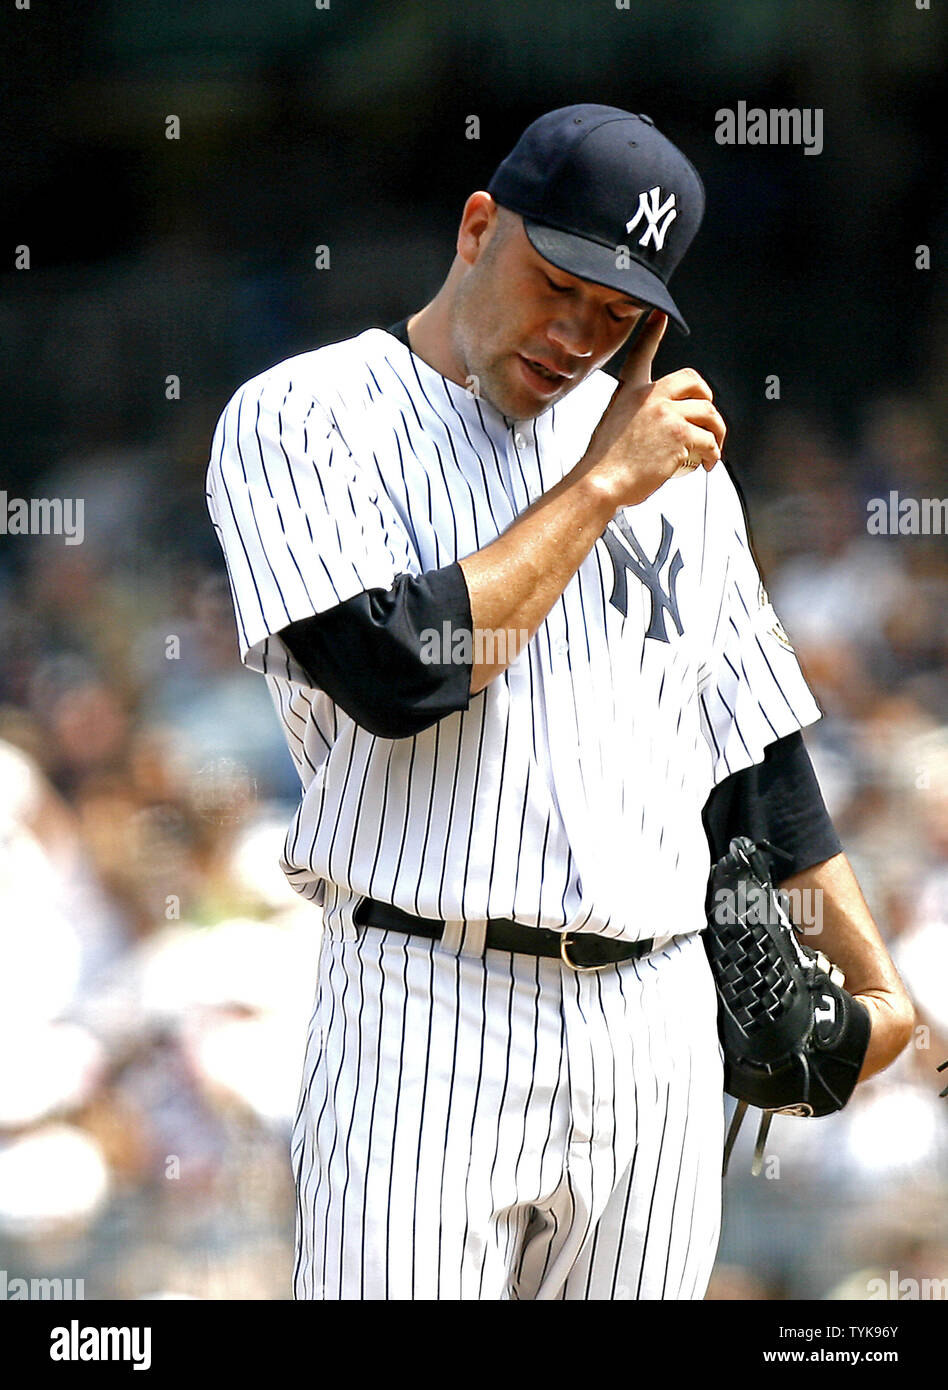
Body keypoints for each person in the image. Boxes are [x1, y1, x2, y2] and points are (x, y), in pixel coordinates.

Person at [205, 104, 913, 1301]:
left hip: (653, 1023)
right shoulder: (304, 416)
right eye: (560, 283)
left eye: (621, 313)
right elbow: (400, 671)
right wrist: (604, 482)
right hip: (424, 1008)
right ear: (478, 226)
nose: (581, 333)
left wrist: (883, 985)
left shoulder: (674, 468)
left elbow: (753, 762)